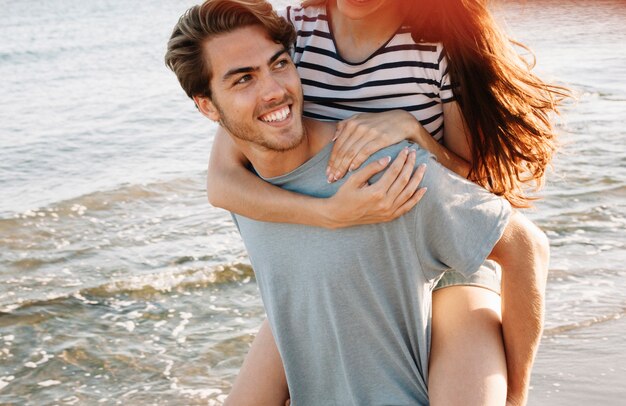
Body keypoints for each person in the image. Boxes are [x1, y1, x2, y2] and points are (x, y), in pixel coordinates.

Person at [164, 0, 555, 404]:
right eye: (247, 78)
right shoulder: (296, 31)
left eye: (277, 67)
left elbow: (474, 190)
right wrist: (329, 214)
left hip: (438, 245)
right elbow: (224, 180)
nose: (272, 85)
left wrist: (413, 133)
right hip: (336, 245)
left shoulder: (443, 48)